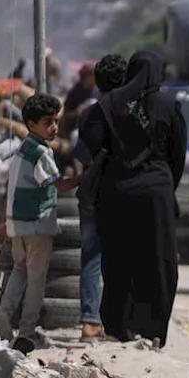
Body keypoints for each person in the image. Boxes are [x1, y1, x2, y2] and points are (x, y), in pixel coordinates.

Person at [81, 50, 186, 346]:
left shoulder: (109, 105)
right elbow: (178, 153)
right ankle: (152, 330)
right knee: (158, 261)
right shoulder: (168, 105)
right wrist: (164, 186)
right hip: (157, 193)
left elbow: (90, 146)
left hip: (116, 193)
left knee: (118, 259)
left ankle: (118, 327)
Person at [0, 94, 79, 353]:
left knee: (19, 270)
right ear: (31, 124)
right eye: (47, 122)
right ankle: (28, 331)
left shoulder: (21, 149)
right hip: (38, 226)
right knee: (36, 279)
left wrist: (4, 222)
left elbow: (11, 189)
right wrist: (86, 176)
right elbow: (59, 185)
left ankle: (5, 313)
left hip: (17, 225)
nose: (53, 127)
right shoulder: (41, 152)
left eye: (55, 121)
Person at [73, 54, 128, 341]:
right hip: (120, 194)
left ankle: (90, 323)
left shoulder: (87, 115)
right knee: (120, 259)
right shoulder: (130, 114)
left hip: (92, 194)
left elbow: (81, 156)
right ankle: (114, 322)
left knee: (91, 259)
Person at [61, 61, 99, 139]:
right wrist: (77, 112)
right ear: (87, 76)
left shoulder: (98, 91)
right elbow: (66, 115)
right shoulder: (74, 93)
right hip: (76, 130)